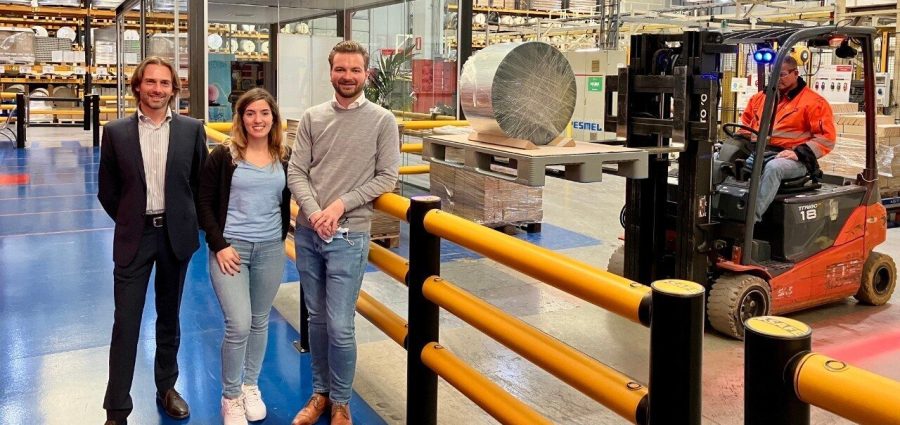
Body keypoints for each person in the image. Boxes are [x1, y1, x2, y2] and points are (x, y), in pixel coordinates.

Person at [289, 40, 400, 425]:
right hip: (308, 232)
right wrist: (316, 212)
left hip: (350, 236)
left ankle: (341, 400)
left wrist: (339, 205)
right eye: (341, 69)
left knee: (339, 323)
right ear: (330, 71)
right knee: (316, 319)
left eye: (355, 70)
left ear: (366, 74)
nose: (347, 76)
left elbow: (387, 176)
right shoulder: (312, 117)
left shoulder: (382, 120)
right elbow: (296, 171)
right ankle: (320, 394)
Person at [97, 56, 208, 425]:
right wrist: (131, 220)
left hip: (175, 237)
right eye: (151, 82)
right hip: (135, 237)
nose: (157, 89)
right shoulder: (115, 132)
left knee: (168, 318)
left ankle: (166, 387)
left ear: (174, 89)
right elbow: (107, 191)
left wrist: (183, 220)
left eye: (165, 83)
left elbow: (198, 183)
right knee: (125, 322)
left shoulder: (192, 130)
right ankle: (117, 408)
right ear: (138, 87)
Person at [198, 88, 291, 425]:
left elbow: (287, 200)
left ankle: (251, 385)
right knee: (238, 324)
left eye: (264, 113)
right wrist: (218, 244)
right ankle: (231, 395)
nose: (258, 120)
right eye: (250, 113)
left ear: (273, 118)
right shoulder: (224, 156)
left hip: (269, 250)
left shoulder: (284, 155)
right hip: (231, 249)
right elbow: (204, 203)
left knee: (259, 320)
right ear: (240, 118)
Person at [740, 55, 836, 222]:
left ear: (796, 73)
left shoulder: (813, 102)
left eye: (782, 74)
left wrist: (798, 153)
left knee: (774, 168)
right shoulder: (760, 99)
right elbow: (745, 126)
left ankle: (749, 221)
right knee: (720, 158)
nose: (777, 80)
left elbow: (826, 138)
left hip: (796, 159)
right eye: (774, 75)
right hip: (763, 152)